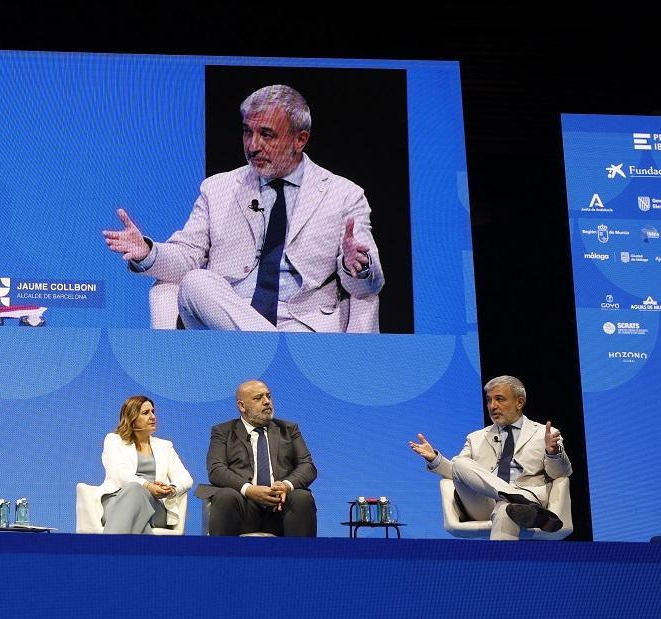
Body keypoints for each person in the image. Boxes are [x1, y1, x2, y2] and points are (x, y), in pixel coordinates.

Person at [103, 84, 383, 332]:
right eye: (247, 133)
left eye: (267, 135)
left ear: (300, 140)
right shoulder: (218, 189)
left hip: (303, 328)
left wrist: (354, 266)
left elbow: (368, 287)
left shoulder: (343, 195)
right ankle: (278, 359)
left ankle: (270, 355)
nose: (253, 146)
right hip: (226, 324)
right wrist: (149, 252)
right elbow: (187, 257)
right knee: (196, 282)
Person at [409, 375, 570, 540]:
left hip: (526, 496)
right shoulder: (476, 437)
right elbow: (458, 473)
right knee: (461, 463)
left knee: (506, 510)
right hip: (483, 502)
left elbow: (559, 474)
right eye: (489, 400)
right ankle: (518, 499)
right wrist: (435, 459)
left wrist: (553, 453)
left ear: (519, 402)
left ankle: (500, 562)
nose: (493, 406)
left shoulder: (543, 434)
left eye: (499, 399)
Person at [196, 379, 318, 536]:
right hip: (243, 507)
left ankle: (302, 560)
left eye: (268, 396)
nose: (267, 402)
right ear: (242, 406)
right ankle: (221, 558)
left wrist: (286, 486)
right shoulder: (223, 431)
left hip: (280, 508)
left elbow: (307, 466)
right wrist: (249, 490)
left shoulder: (288, 429)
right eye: (258, 398)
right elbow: (216, 470)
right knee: (226, 496)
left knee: (302, 497)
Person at [95, 396, 194, 533]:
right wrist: (147, 486)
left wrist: (170, 489)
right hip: (116, 499)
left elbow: (186, 478)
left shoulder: (164, 446)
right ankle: (146, 552)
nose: (153, 417)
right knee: (135, 496)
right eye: (145, 413)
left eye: (153, 412)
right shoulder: (114, 440)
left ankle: (106, 550)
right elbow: (119, 473)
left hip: (154, 506)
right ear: (132, 419)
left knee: (135, 499)